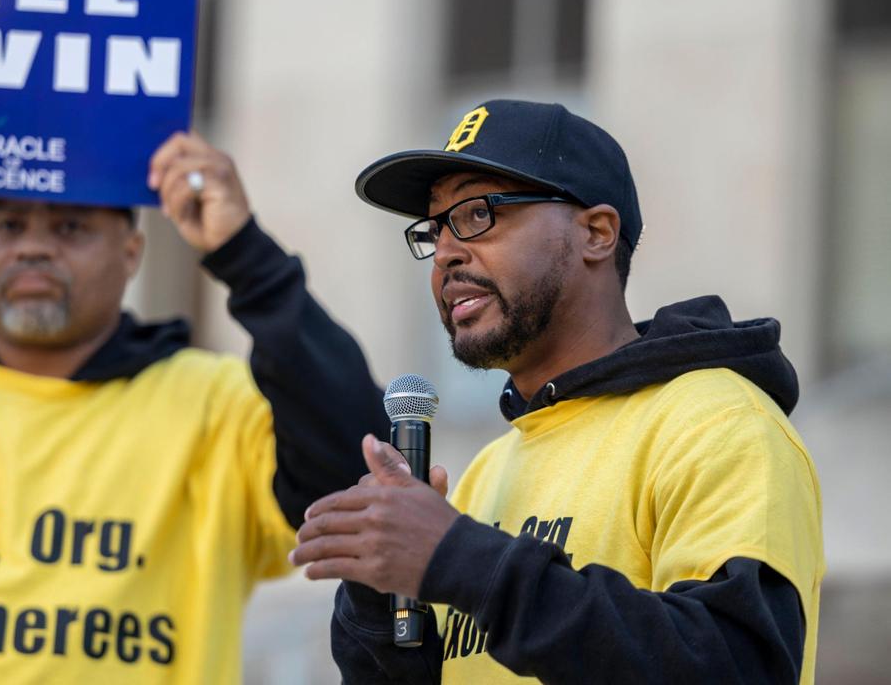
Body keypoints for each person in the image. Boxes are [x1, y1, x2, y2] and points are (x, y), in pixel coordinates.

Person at [0, 108, 387, 683]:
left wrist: (245, 255)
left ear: (132, 252)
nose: (33, 245)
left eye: (71, 226)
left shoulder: (214, 409)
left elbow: (358, 470)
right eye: (8, 223)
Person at [290, 100, 824, 683]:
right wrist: (378, 615)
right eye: (434, 229)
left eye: (477, 213)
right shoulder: (487, 472)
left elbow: (738, 666)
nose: (445, 253)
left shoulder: (717, 425)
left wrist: (463, 560)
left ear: (596, 233)